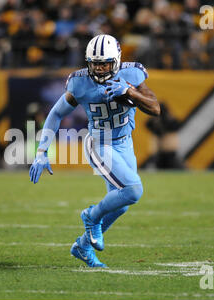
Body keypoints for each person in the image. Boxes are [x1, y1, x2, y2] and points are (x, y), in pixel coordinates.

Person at [29, 34, 160, 268]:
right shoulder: (79, 83)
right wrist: (41, 151)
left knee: (122, 204)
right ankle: (90, 217)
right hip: (99, 143)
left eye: (105, 63)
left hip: (124, 143)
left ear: (117, 60)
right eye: (95, 63)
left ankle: (82, 246)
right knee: (133, 190)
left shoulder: (132, 74)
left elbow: (155, 108)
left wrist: (130, 92)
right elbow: (56, 113)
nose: (99, 69)